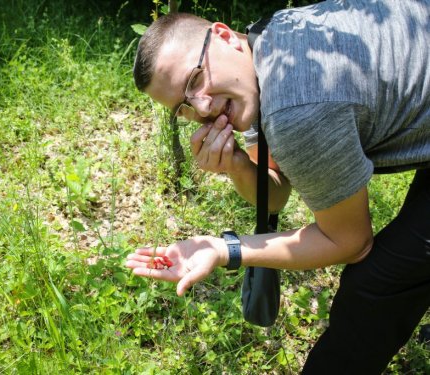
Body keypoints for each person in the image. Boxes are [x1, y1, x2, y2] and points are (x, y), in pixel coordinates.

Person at [125, 0, 430, 373]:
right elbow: (276, 193)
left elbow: (351, 242)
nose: (202, 108)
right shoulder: (262, 49)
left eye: (194, 79)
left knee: (375, 285)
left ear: (223, 36)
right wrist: (238, 165)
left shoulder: (295, 107)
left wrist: (226, 250)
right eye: (182, 107)